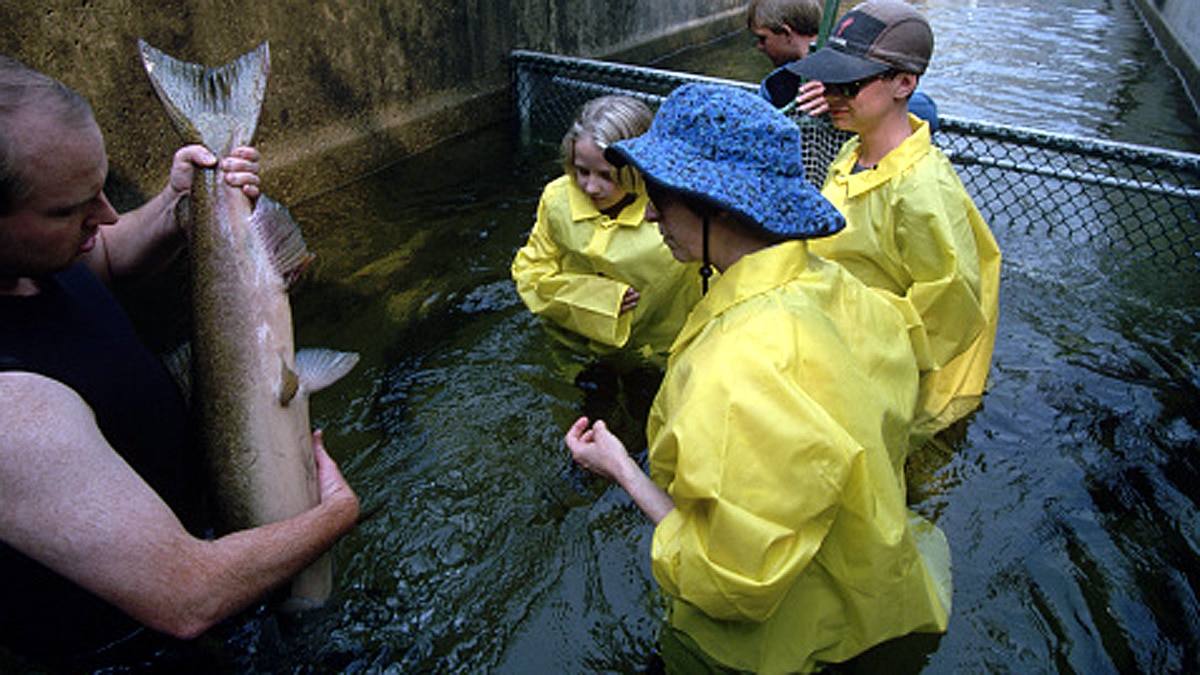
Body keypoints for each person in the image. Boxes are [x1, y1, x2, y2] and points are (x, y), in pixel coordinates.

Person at [564, 82, 950, 673]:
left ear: (715, 203)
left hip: (784, 649)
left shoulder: (739, 367)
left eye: (661, 196)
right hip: (877, 598)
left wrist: (619, 468)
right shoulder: (849, 292)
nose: (647, 213)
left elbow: (733, 582)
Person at [0, 54, 360, 668]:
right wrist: (337, 513)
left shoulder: (27, 265)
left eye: (101, 191)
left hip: (215, 539)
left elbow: (106, 259)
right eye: (69, 210)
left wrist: (179, 202)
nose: (106, 216)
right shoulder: (11, 409)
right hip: (138, 653)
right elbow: (189, 596)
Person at [790, 0, 1002, 444]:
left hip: (909, 394)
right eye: (828, 81)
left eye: (848, 85)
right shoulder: (854, 151)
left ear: (904, 83)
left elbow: (948, 315)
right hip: (848, 357)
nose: (831, 96)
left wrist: (848, 330)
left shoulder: (921, 191)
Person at [512, 95, 703, 444]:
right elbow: (530, 271)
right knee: (590, 417)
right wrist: (599, 299)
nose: (590, 187)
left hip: (659, 354)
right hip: (581, 347)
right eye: (581, 170)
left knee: (650, 428)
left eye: (608, 175)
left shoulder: (679, 207)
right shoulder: (557, 199)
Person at [749, 0, 939, 129]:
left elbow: (925, 111)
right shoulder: (777, 85)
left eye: (763, 38)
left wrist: (846, 98)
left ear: (786, 32)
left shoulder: (864, 73)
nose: (759, 47)